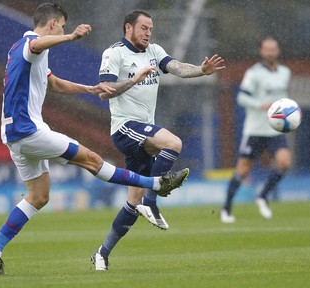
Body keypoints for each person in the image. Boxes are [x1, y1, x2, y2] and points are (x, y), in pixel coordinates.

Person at [0, 3, 189, 276]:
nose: (63, 29)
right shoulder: (31, 44)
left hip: (14, 135)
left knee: (38, 196)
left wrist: (89, 89)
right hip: (28, 131)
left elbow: (52, 83)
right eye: (62, 25)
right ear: (53, 24)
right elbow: (38, 44)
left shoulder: (19, 49)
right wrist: (71, 37)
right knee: (92, 160)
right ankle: (156, 183)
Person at [91, 10, 225, 270]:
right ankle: (152, 201)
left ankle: (102, 253)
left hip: (143, 133)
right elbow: (103, 92)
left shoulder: (154, 50)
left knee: (132, 203)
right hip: (125, 128)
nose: (148, 33)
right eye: (143, 28)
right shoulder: (114, 53)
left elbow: (176, 68)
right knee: (173, 143)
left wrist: (201, 70)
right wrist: (134, 80)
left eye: (150, 29)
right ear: (128, 27)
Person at [220, 37, 292, 223]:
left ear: (278, 51)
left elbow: (283, 99)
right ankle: (226, 208)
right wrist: (261, 104)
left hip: (275, 130)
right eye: (267, 49)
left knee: (284, 162)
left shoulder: (285, 72)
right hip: (255, 130)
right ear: (261, 51)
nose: (270, 52)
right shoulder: (254, 73)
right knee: (242, 170)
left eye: (273, 49)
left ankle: (262, 196)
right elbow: (242, 98)